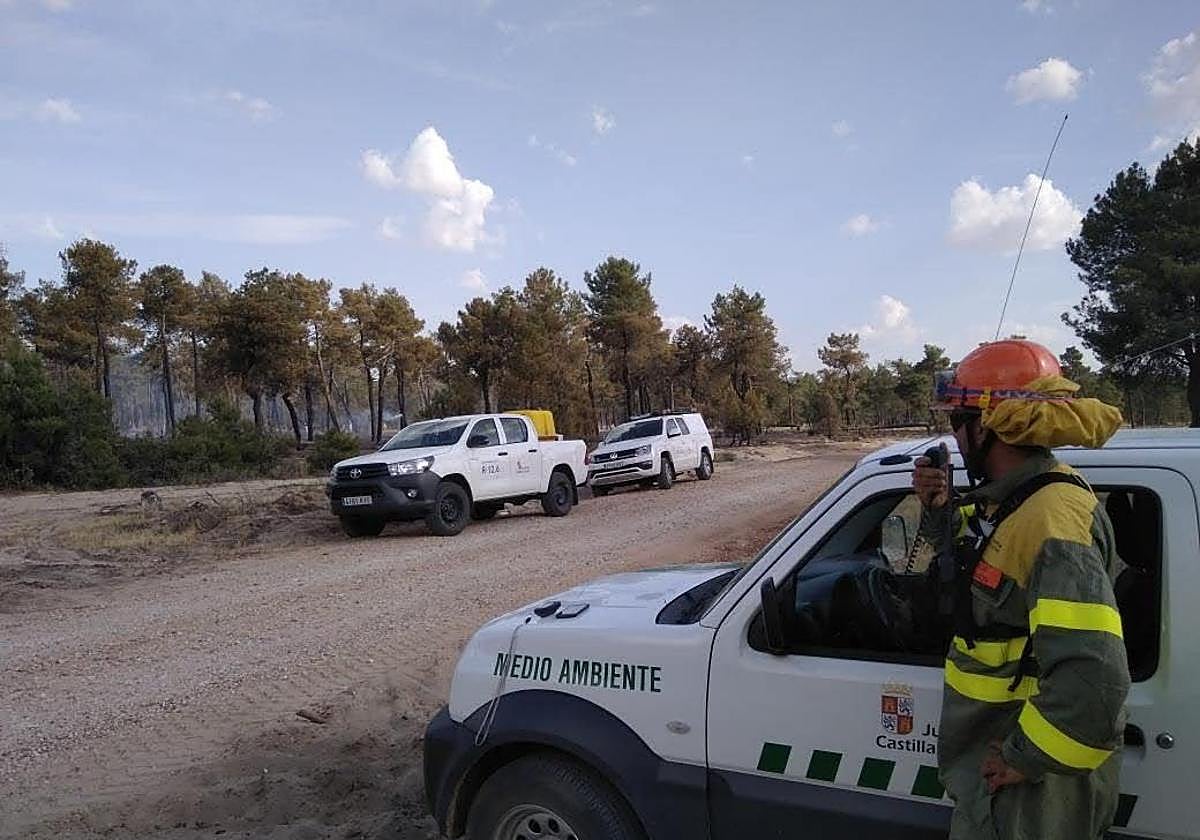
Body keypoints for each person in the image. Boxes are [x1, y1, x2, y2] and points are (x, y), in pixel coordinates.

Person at [911, 339, 1129, 840]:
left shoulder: (1052, 520)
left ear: (985, 425)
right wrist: (941, 509)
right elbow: (973, 573)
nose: (956, 438)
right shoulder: (1016, 504)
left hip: (1030, 789)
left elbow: (1095, 677)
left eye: (957, 421)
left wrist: (1024, 758)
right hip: (1001, 766)